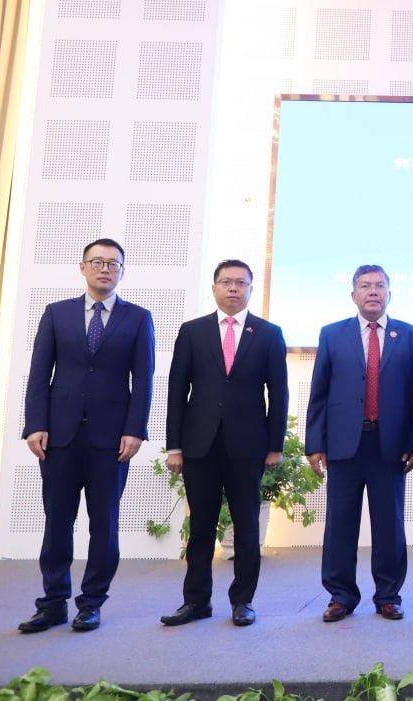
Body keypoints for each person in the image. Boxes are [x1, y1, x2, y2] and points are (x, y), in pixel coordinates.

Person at [18, 238, 155, 633]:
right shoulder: (56, 313)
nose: (105, 269)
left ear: (122, 272)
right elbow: (39, 374)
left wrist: (134, 430)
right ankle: (53, 603)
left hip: (111, 441)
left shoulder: (138, 318)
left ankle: (91, 603)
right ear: (83, 267)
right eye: (97, 262)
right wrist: (35, 424)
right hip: (58, 437)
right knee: (57, 523)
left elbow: (143, 381)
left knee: (104, 524)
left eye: (113, 263)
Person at [161, 259, 288, 627]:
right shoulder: (192, 331)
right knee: (200, 526)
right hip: (199, 444)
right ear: (214, 287)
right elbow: (176, 391)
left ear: (250, 289)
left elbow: (278, 393)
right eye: (226, 282)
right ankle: (196, 601)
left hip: (247, 446)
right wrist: (174, 446)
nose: (233, 288)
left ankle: (242, 601)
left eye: (241, 283)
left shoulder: (268, 334)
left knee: (247, 526)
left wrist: (275, 445)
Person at [306, 265, 413, 622]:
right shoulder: (332, 334)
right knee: (340, 524)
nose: (373, 291)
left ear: (389, 293)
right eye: (366, 286)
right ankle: (340, 596)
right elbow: (319, 391)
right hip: (344, 444)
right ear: (353, 294)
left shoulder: (410, 335)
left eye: (380, 286)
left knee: (390, 525)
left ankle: (388, 595)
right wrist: (315, 443)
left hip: (390, 446)